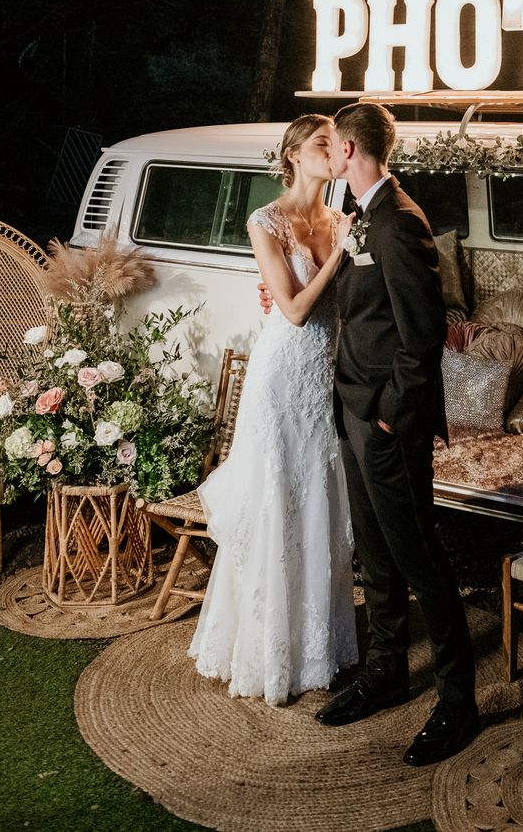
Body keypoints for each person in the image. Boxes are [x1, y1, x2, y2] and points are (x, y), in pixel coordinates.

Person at [317, 101, 478, 767]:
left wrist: (387, 416)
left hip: (386, 420)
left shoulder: (400, 223)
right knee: (375, 555)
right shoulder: (360, 219)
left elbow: (421, 338)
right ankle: (387, 671)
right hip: (353, 410)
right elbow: (365, 313)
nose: (325, 156)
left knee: (420, 560)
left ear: (350, 151)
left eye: (330, 147)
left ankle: (458, 702)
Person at [188, 114, 358, 706]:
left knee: (317, 501)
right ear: (292, 155)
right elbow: (291, 311)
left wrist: (346, 247)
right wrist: (339, 257)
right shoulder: (266, 221)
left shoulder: (342, 219)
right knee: (276, 502)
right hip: (281, 376)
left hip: (325, 379)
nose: (332, 151)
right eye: (320, 144)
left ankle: (318, 648)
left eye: (336, 145)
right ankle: (264, 650)